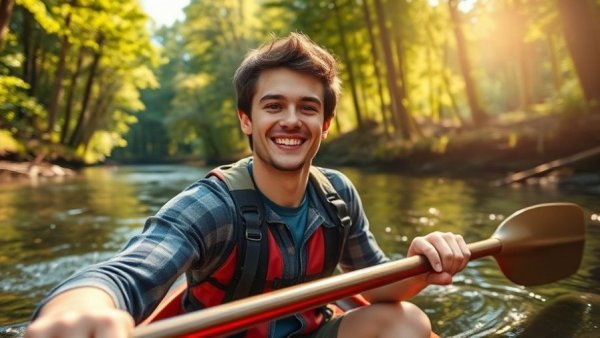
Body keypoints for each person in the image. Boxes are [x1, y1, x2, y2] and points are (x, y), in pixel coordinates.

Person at [25, 33, 470, 338]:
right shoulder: (211, 206)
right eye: (273, 105)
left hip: (309, 332)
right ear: (247, 119)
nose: (291, 120)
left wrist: (422, 264)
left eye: (308, 108)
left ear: (326, 123)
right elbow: (124, 275)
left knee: (406, 321)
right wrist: (77, 311)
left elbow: (376, 287)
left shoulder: (338, 197)